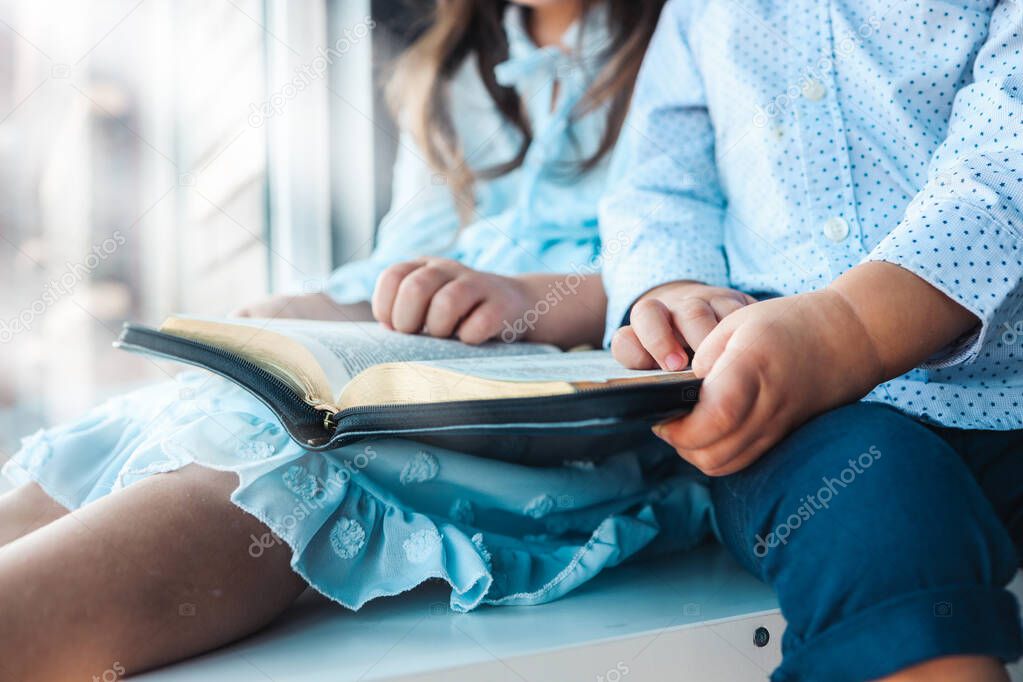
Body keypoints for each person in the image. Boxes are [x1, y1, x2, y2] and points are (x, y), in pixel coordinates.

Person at [0, 2, 706, 680]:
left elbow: (704, 263)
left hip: (565, 429)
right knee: (177, 418)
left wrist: (534, 300)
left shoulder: (689, 39)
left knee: (276, 463)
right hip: (424, 374)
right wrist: (307, 309)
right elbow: (401, 260)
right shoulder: (451, 74)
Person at [590, 1, 1021, 680]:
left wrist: (847, 329)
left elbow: (1007, 159)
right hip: (799, 418)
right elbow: (658, 186)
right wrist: (670, 288)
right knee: (879, 517)